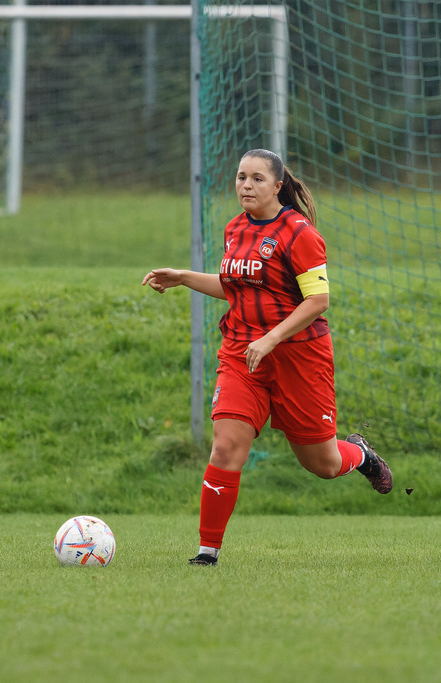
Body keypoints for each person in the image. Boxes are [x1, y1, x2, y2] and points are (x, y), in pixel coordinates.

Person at [142, 148, 393, 566]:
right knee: (226, 447)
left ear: (278, 186)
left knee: (323, 464)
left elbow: (318, 300)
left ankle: (361, 454)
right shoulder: (235, 228)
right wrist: (184, 277)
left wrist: (272, 338)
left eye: (257, 178)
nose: (246, 185)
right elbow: (236, 287)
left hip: (299, 357)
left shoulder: (299, 233)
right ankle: (207, 553)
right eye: (241, 177)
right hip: (242, 354)